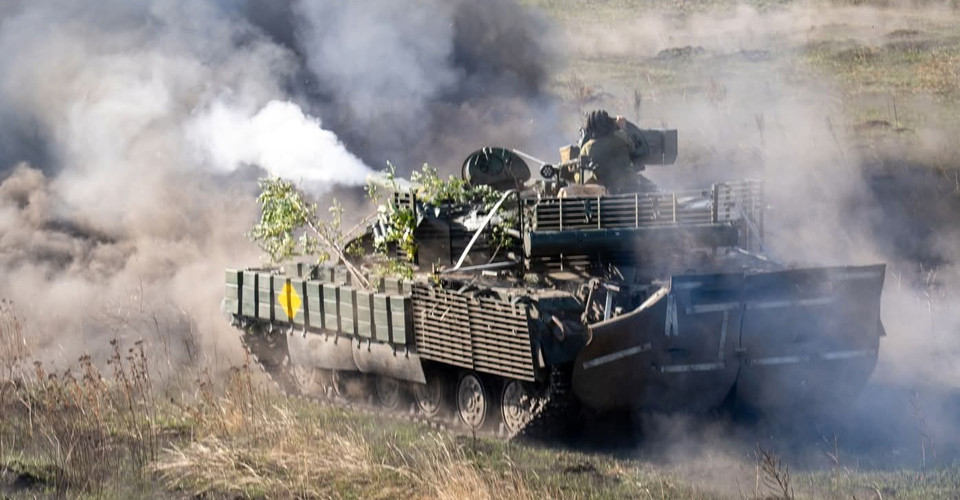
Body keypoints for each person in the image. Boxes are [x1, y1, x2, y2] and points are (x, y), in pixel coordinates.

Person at [578, 110, 644, 193]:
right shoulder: (622, 137)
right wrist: (621, 127)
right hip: (628, 181)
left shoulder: (586, 148)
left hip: (602, 188)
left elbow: (580, 174)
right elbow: (633, 149)